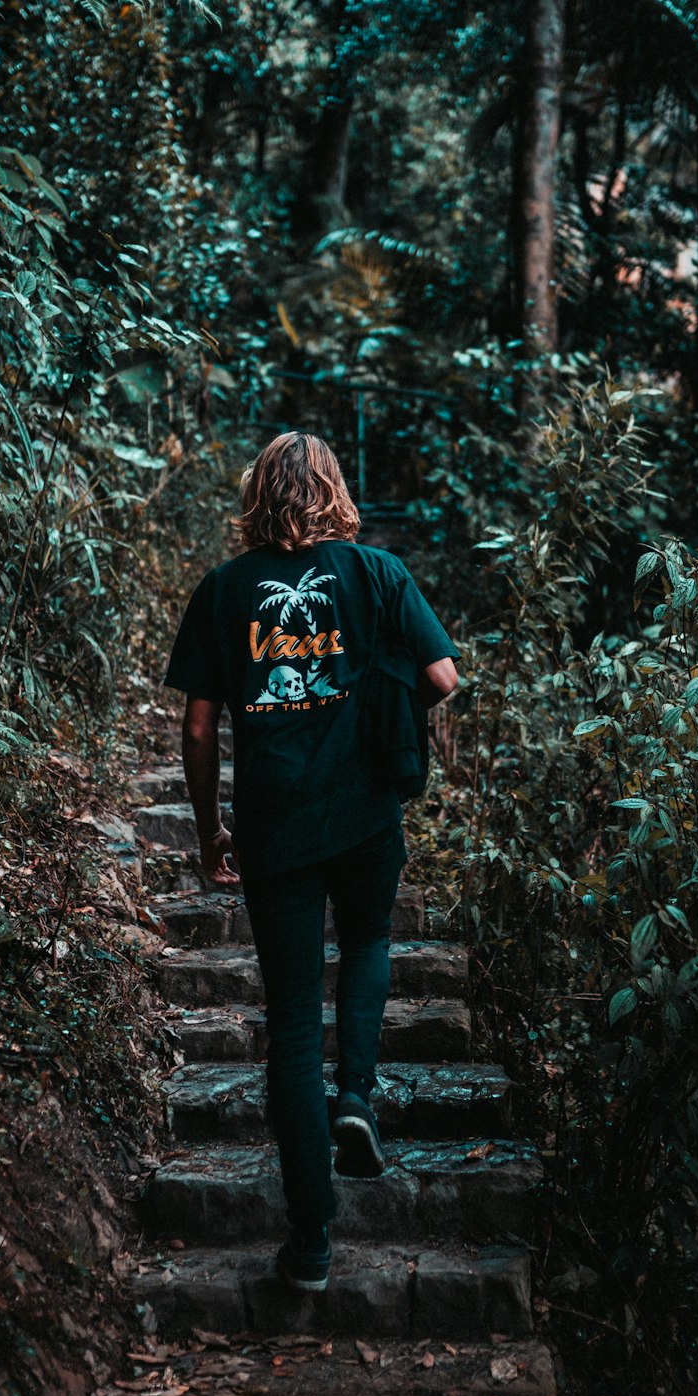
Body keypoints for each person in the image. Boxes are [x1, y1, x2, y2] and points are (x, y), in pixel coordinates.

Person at [164, 431, 458, 1291]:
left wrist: (209, 829)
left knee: (292, 1018)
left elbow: (197, 727)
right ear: (332, 488)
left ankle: (311, 1242)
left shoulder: (224, 590)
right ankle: (357, 1099)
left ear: (258, 494)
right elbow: (443, 678)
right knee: (368, 943)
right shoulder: (377, 575)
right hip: (365, 808)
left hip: (274, 822)